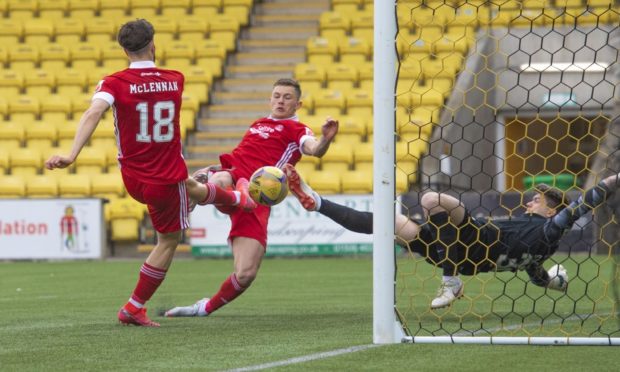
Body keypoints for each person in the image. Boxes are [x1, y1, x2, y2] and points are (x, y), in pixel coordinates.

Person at [45, 19, 256, 327]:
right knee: (169, 239)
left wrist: (71, 154)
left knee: (190, 184)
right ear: (154, 44)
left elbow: (94, 112)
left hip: (133, 177)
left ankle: (236, 198)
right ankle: (134, 307)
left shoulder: (113, 82)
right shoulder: (175, 79)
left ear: (123, 50)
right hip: (164, 178)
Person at [282, 164, 620, 309]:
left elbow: (579, 206)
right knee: (388, 222)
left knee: (431, 199)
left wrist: (609, 181)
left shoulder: (549, 228)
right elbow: (534, 273)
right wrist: (555, 282)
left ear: (551, 211)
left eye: (538, 199)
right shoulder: (540, 248)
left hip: (476, 241)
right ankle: (319, 203)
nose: (531, 200)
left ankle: (450, 282)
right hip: (457, 249)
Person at [164, 78, 339, 318]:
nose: (280, 100)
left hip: (257, 197)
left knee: (245, 274)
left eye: (287, 97)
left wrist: (325, 140)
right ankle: (191, 196)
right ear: (270, 99)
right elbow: (239, 157)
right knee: (215, 179)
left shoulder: (297, 129)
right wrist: (212, 168)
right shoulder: (258, 123)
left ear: (298, 104)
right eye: (277, 95)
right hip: (231, 177)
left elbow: (313, 148)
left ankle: (204, 308)